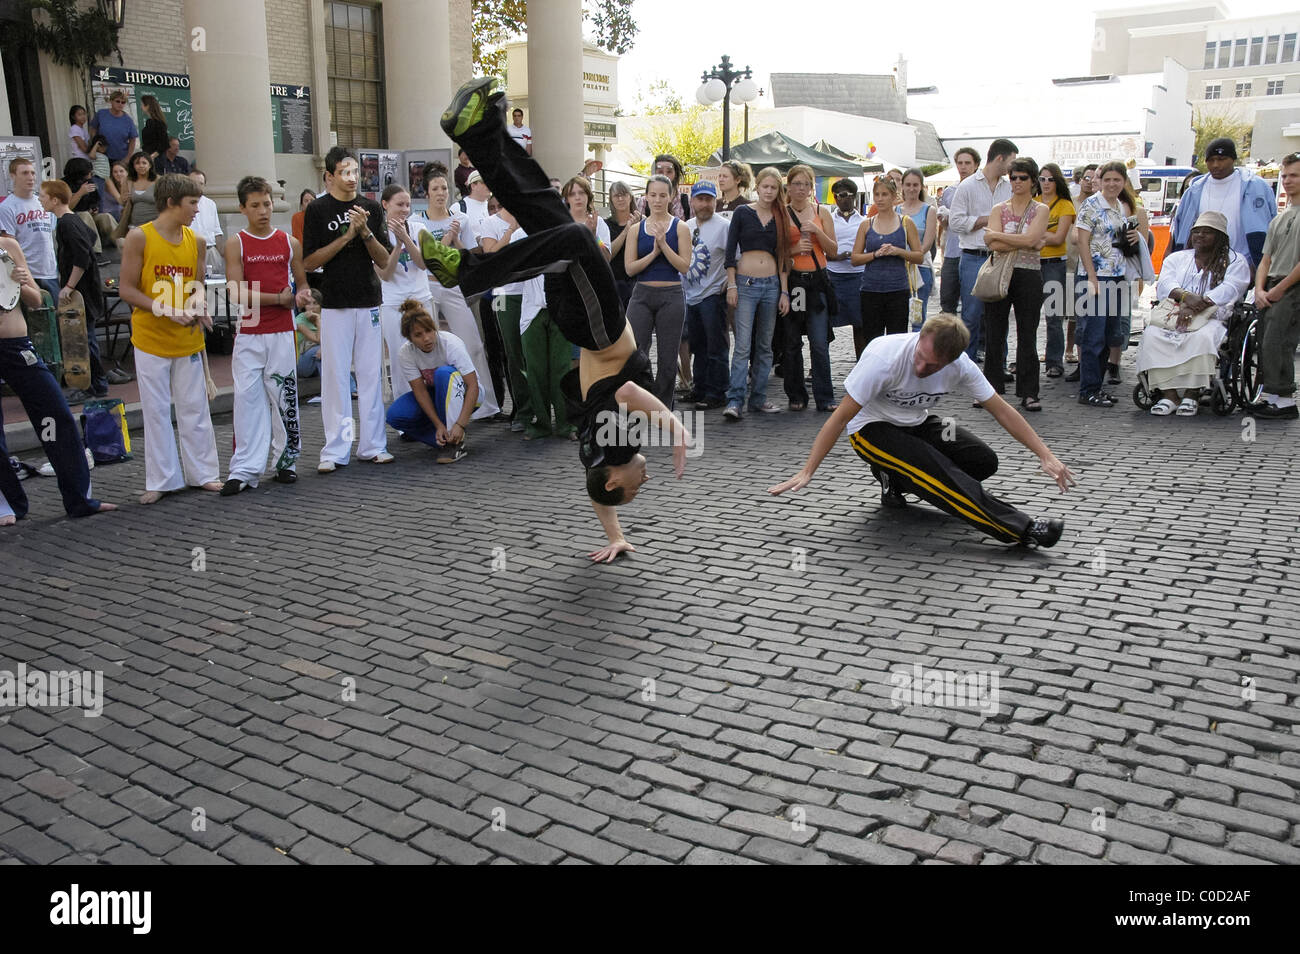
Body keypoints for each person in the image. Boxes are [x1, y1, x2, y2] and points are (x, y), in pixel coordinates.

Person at [424, 76, 691, 561]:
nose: (641, 486)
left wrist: (677, 429)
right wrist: (614, 535)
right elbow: (598, 492)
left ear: (617, 478)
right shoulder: (597, 457)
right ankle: (478, 131)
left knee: (574, 241)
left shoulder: (616, 446)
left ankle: (466, 270)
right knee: (543, 209)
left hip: (599, 328)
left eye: (632, 492)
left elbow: (629, 393)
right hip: (581, 320)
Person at [768, 314, 1073, 548]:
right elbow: (839, 418)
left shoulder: (962, 366)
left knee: (983, 460)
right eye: (920, 358)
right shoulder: (883, 358)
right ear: (919, 338)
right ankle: (1023, 529)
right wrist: (808, 470)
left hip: (916, 421)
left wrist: (1046, 456)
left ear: (951, 362)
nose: (921, 369)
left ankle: (897, 479)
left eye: (932, 366)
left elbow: (1002, 410)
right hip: (870, 429)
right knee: (939, 472)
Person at [117, 173, 223, 503]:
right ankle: (161, 479)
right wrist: (164, 309)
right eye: (192, 202)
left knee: (195, 409)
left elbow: (197, 284)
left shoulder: (197, 241)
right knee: (156, 410)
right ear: (170, 203)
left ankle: (203, 473)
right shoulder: (140, 238)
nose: (197, 208)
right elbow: (127, 289)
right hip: (151, 339)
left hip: (187, 338)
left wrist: (199, 304)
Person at [0, 235, 116, 523]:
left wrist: (23, 280)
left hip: (15, 345)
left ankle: (79, 498)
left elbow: (36, 299)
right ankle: (8, 503)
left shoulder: (8, 246)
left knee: (54, 417)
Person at [302, 145, 394, 471]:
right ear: (329, 176)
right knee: (336, 377)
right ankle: (335, 449)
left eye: (355, 171)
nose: (351, 178)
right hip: (335, 302)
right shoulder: (318, 210)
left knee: (371, 376)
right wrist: (345, 237)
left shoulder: (371, 208)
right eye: (344, 172)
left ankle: (372, 445)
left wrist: (365, 231)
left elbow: (385, 261)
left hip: (368, 299)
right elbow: (310, 261)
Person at [221, 175, 314, 495]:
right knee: (247, 400)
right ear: (243, 208)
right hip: (249, 331)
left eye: (267, 204)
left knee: (284, 397)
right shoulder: (236, 243)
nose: (263, 210)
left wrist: (303, 296)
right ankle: (245, 468)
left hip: (282, 331)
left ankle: (286, 462)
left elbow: (301, 283)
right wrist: (279, 299)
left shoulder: (290, 243)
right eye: (255, 205)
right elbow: (235, 291)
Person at [1137, 211, 1250, 417]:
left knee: (1203, 337)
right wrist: (1186, 297)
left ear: (1220, 236)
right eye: (1197, 232)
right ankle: (1168, 395)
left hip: (1213, 317)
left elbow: (1232, 289)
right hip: (1174, 313)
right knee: (1152, 335)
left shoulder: (1235, 261)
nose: (1200, 236)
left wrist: (1199, 304)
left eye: (1207, 232)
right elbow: (1165, 284)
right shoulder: (1177, 258)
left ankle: (1192, 394)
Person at [414, 168, 501, 420]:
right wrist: (448, 237)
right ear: (426, 193)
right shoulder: (417, 221)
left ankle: (487, 404)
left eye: (444, 188)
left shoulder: (460, 218)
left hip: (453, 287)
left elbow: (470, 255)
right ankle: (433, 408)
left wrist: (458, 240)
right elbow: (426, 259)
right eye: (435, 189)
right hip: (428, 287)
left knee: (473, 343)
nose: (441, 193)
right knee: (428, 346)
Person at [722, 166, 791, 421]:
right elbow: (730, 252)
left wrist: (784, 292)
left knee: (765, 345)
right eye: (765, 187)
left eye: (774, 188)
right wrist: (731, 284)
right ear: (757, 187)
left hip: (772, 285)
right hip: (746, 284)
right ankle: (735, 400)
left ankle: (758, 398)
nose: (769, 192)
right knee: (742, 345)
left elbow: (784, 257)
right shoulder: (742, 212)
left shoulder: (781, 215)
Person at [982, 158, 1048, 411]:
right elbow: (995, 246)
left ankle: (1029, 392)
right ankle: (990, 391)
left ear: (1032, 181)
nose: (1017, 182)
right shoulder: (999, 208)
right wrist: (1024, 240)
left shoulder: (1040, 210)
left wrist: (997, 234)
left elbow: (1032, 239)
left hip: (1028, 274)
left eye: (1022, 177)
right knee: (994, 334)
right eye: (1013, 177)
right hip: (1000, 273)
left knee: (1027, 334)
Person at [1074, 160, 1140, 408]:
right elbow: (1082, 242)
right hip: (1095, 277)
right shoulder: (1092, 204)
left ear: (1124, 182)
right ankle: (1088, 389)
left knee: (1109, 334)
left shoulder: (1120, 207)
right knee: (1093, 335)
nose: (1112, 184)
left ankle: (1097, 387)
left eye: (1117, 180)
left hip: (1116, 276)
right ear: (1100, 181)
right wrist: (1091, 276)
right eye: (1108, 179)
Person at [37, 179, 109, 402]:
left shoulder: (67, 223)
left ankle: (92, 385)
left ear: (55, 199)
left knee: (83, 338)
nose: (40, 200)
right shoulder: (73, 220)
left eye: (43, 197)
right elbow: (91, 237)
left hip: (81, 292)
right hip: (86, 290)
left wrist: (69, 285)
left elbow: (82, 256)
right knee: (86, 338)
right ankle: (97, 383)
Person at [384, 298, 480, 462]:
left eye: (429, 331)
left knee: (443, 374)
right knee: (395, 415)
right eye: (418, 335)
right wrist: (438, 425)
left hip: (468, 395)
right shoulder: (406, 353)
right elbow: (420, 391)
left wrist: (461, 424)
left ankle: (455, 441)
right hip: (436, 395)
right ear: (409, 338)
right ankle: (445, 439)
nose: (426, 338)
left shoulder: (450, 343)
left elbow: (473, 386)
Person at [625, 173, 689, 408]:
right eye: (653, 195)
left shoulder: (680, 228)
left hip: (671, 295)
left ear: (671, 196)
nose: (658, 200)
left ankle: (663, 406)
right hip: (642, 295)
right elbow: (630, 269)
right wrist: (653, 253)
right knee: (637, 352)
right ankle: (641, 403)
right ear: (646, 197)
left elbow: (684, 266)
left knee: (668, 357)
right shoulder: (636, 229)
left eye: (663, 195)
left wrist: (663, 245)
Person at [950, 138, 1018, 359]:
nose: (1012, 168)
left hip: (1003, 257)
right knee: (971, 315)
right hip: (973, 257)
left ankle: (999, 365)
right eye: (1011, 161)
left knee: (999, 316)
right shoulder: (967, 186)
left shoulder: (1010, 187)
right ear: (999, 158)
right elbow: (956, 223)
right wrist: (988, 220)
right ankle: (966, 364)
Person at [1170, 137, 1277, 272]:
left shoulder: (1255, 187)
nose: (1215, 165)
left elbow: (1271, 226)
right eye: (1211, 160)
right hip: (1200, 266)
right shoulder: (1194, 190)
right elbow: (1180, 229)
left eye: (1221, 159)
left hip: (1243, 265)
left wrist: (1257, 267)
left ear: (1233, 159)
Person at [783, 163, 839, 411]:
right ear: (789, 186)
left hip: (816, 282)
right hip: (795, 281)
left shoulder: (821, 211)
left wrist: (817, 231)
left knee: (819, 341)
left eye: (806, 184)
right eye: (797, 184)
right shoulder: (782, 213)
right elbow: (777, 251)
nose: (802, 189)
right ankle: (796, 395)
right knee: (793, 341)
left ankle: (824, 397)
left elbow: (833, 250)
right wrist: (795, 250)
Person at [1250, 153, 1300, 420]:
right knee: (1265, 342)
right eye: (1285, 176)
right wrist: (1259, 288)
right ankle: (1271, 395)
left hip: (1291, 286)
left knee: (1279, 341)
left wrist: (1280, 289)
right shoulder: (1278, 218)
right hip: (1270, 285)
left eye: (1295, 176)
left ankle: (1284, 399)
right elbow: (1265, 259)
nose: (1288, 181)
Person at [374, 184, 431, 402]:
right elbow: (385, 274)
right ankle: (405, 408)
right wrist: (397, 246)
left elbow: (423, 264)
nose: (405, 209)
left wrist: (406, 238)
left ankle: (430, 405)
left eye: (408, 204)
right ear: (385, 205)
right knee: (401, 359)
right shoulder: (377, 235)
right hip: (394, 303)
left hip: (421, 298)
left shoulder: (418, 229)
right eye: (400, 204)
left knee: (426, 353)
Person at [478, 205, 533, 433]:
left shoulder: (532, 216)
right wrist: (511, 232)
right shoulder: (491, 222)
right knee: (511, 352)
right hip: (502, 295)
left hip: (533, 293)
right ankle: (521, 410)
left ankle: (539, 409)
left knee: (532, 354)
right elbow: (491, 256)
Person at [852, 175, 922, 346]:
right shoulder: (866, 224)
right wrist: (875, 254)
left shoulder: (905, 222)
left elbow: (918, 256)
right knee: (872, 340)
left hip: (898, 289)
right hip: (871, 290)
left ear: (893, 197)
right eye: (877, 195)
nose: (880, 199)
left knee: (896, 341)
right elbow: (855, 258)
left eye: (884, 195)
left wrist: (897, 251)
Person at [683, 180, 730, 409]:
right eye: (700, 199)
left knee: (716, 346)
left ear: (715, 201)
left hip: (712, 294)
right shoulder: (686, 226)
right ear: (692, 201)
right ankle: (699, 388)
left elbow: (735, 258)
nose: (704, 204)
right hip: (690, 295)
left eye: (709, 200)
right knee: (697, 345)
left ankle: (717, 391)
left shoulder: (724, 226)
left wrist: (730, 283)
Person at [0, 157, 59, 301]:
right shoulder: (7, 207)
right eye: (25, 173)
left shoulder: (43, 202)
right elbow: (9, 245)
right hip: (28, 274)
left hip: (51, 271)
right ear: (13, 176)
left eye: (33, 173)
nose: (31, 177)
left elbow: (51, 236)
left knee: (55, 317)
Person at [1036, 163, 1075, 379]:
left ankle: (1054, 361)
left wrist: (1034, 236)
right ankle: (1027, 359)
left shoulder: (1065, 205)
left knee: (1053, 316)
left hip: (1054, 264)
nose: (1046, 183)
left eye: (1050, 179)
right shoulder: (1032, 202)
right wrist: (1040, 236)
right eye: (1042, 179)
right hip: (1032, 263)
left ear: (1057, 181)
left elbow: (1059, 238)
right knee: (1029, 315)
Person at [826, 178, 867, 358]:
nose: (844, 199)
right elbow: (820, 247)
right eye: (840, 196)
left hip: (858, 275)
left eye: (848, 195)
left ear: (854, 197)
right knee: (825, 323)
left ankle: (862, 362)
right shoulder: (828, 220)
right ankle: (819, 365)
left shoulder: (864, 221)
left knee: (860, 323)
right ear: (835, 198)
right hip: (833, 275)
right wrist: (836, 256)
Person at [1063, 164, 1098, 370]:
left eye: (1093, 178)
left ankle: (1081, 354)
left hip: (1092, 265)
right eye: (1086, 177)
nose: (1089, 181)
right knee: (1069, 310)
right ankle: (1068, 350)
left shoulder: (1100, 205)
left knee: (1083, 312)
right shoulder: (1072, 203)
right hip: (1070, 261)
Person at [937, 147, 979, 315]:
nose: (963, 167)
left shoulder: (980, 189)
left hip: (972, 251)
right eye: (960, 163)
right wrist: (945, 220)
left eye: (967, 163)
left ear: (975, 165)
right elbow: (949, 226)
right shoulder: (950, 191)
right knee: (947, 301)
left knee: (972, 305)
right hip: (952, 251)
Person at [900, 168, 938, 328]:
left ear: (921, 186)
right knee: (899, 315)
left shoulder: (929, 210)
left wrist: (912, 256)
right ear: (902, 186)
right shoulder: (896, 210)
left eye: (915, 185)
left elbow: (928, 243)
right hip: (899, 268)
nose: (911, 188)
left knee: (918, 318)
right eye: (908, 184)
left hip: (920, 268)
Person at [605, 180, 640, 310]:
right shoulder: (604, 225)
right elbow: (608, 253)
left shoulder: (643, 221)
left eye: (624, 194)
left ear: (630, 197)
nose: (620, 199)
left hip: (637, 283)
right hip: (614, 283)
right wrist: (627, 230)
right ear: (611, 199)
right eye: (616, 195)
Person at [114, 151, 159, 234]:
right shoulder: (128, 181)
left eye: (144, 163)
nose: (141, 166)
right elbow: (122, 202)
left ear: (150, 165)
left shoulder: (159, 181)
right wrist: (123, 199)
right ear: (133, 166)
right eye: (137, 163)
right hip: (134, 226)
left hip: (156, 226)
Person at [89, 90, 138, 163]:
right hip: (102, 156)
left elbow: (133, 140)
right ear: (111, 101)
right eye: (117, 101)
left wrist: (128, 157)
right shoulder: (101, 114)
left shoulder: (128, 120)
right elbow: (93, 129)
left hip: (121, 158)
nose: (120, 104)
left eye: (123, 102)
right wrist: (95, 145)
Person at [638, 155, 686, 219]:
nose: (665, 175)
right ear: (654, 173)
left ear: (676, 175)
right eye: (660, 172)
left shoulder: (686, 201)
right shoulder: (644, 202)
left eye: (669, 172)